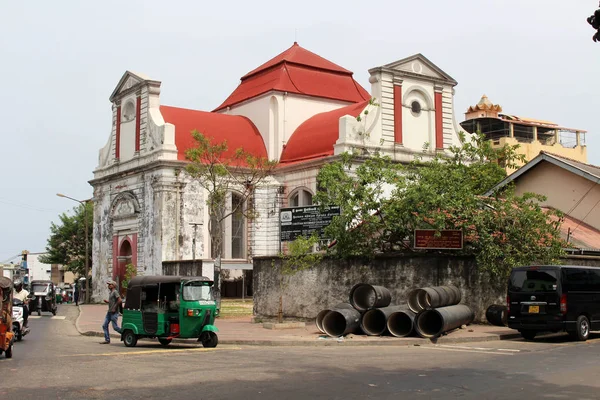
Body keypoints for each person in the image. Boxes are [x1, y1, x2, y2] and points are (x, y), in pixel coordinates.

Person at [100, 280, 122, 344]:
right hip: (109, 312)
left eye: (110, 284)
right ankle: (107, 339)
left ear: (114, 286)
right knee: (104, 325)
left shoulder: (115, 292)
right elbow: (114, 301)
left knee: (115, 327)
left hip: (114, 313)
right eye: (108, 284)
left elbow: (119, 300)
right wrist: (108, 302)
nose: (108, 286)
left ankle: (124, 333)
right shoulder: (111, 293)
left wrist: (114, 308)